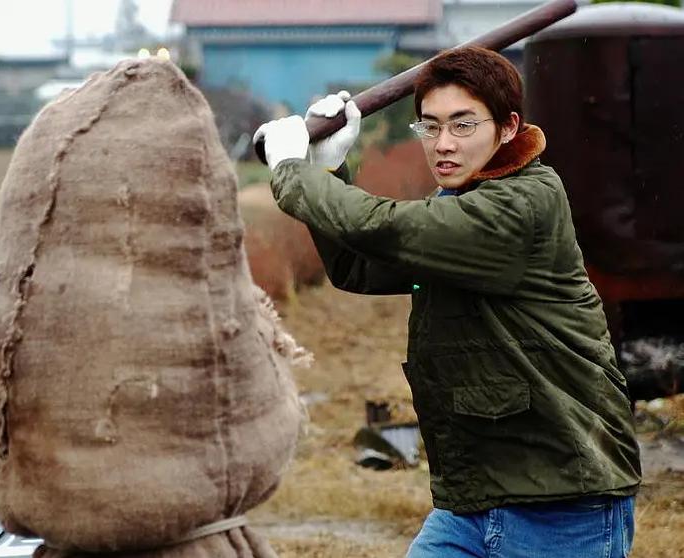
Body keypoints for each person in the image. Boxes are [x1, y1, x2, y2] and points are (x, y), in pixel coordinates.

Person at [253, 46, 641, 557]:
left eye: (463, 125)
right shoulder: (459, 203)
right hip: (472, 502)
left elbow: (387, 227)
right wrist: (329, 171)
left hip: (563, 502)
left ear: (508, 128)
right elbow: (360, 266)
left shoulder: (523, 203)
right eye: (430, 127)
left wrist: (291, 171)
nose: (443, 144)